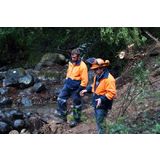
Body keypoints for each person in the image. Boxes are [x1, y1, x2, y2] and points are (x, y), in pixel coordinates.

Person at [80, 58, 116, 134]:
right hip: (96, 102)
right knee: (98, 121)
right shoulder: (97, 76)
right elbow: (95, 86)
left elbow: (112, 93)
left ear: (102, 68)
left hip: (103, 104)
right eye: (94, 69)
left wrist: (101, 99)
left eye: (96, 69)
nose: (94, 71)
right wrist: (87, 90)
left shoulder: (109, 79)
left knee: (100, 122)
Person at [54, 48, 88, 127]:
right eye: (72, 57)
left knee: (77, 104)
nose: (73, 59)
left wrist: (79, 90)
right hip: (68, 85)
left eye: (74, 57)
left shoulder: (83, 66)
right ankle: (63, 117)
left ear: (78, 57)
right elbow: (69, 72)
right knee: (60, 99)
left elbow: (85, 81)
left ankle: (76, 120)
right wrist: (66, 80)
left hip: (77, 87)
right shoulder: (71, 62)